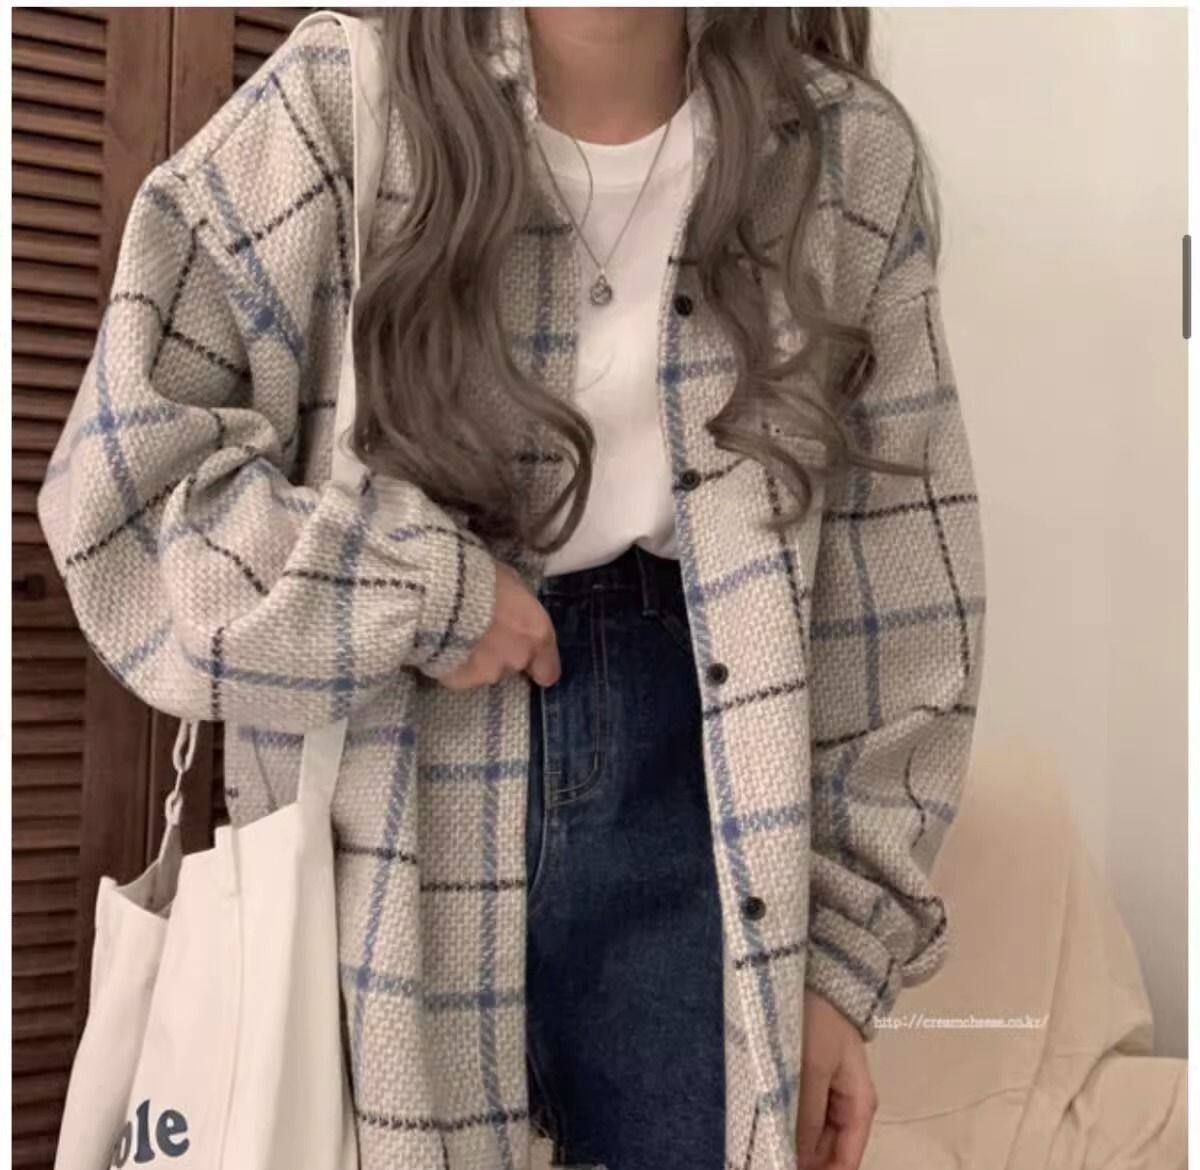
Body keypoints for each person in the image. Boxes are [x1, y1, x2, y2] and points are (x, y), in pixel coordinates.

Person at [37, 8, 987, 1170]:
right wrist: (416, 591)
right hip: (388, 779)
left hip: (706, 789)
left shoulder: (839, 158)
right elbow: (123, 499)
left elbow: (904, 590)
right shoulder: (338, 106)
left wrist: (838, 962)